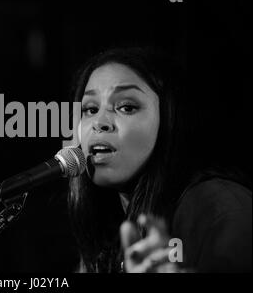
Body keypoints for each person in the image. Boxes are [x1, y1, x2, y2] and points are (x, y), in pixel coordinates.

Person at [67, 46, 251, 273]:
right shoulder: (107, 229)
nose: (99, 122)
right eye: (90, 109)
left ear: (170, 118)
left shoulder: (220, 207)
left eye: (126, 107)